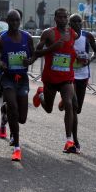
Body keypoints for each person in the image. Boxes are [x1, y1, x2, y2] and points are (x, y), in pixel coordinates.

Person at [31, 8, 79, 154]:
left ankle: (69, 141)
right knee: (49, 108)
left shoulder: (73, 34)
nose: (63, 20)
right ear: (55, 19)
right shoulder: (49, 33)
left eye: (65, 17)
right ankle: (40, 95)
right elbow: (36, 52)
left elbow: (71, 50)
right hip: (51, 78)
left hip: (66, 78)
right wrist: (52, 48)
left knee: (69, 104)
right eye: (60, 17)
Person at [0, 10, 35, 161]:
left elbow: (33, 55)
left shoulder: (27, 37)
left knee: (22, 118)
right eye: (11, 20)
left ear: (20, 21)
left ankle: (4, 112)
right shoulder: (0, 40)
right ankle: (17, 147)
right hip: (8, 78)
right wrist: (1, 63)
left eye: (17, 20)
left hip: (22, 79)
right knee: (13, 107)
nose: (14, 23)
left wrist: (29, 61)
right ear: (7, 21)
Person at [58, 13, 96, 152]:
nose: (76, 24)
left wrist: (89, 60)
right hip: (69, 76)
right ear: (69, 24)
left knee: (78, 109)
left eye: (79, 22)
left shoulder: (88, 36)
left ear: (82, 23)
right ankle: (74, 141)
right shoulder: (66, 36)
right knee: (73, 108)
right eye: (73, 22)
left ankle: (64, 101)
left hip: (83, 75)